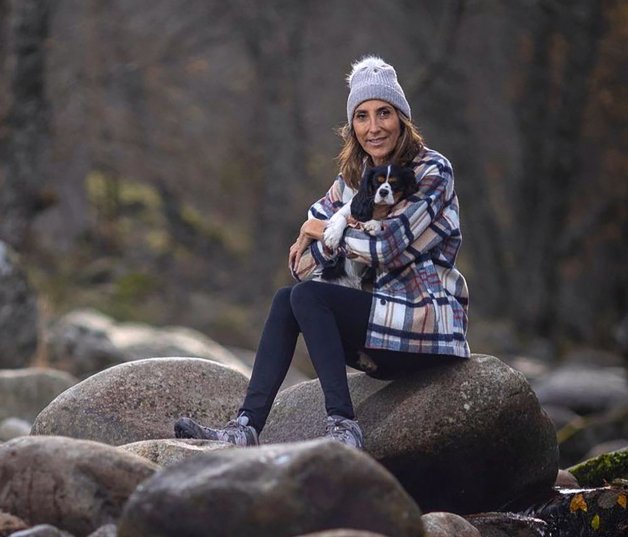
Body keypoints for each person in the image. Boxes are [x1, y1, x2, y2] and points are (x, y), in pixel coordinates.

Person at [174, 55, 470, 449]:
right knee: (289, 298)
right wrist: (326, 234)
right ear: (352, 126)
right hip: (375, 328)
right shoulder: (352, 179)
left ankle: (344, 427)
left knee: (311, 295)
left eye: (384, 113)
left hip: (421, 327)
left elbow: (386, 248)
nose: (373, 127)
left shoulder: (432, 172)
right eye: (362, 116)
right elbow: (301, 264)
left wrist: (323, 230)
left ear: (401, 117)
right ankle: (244, 427)